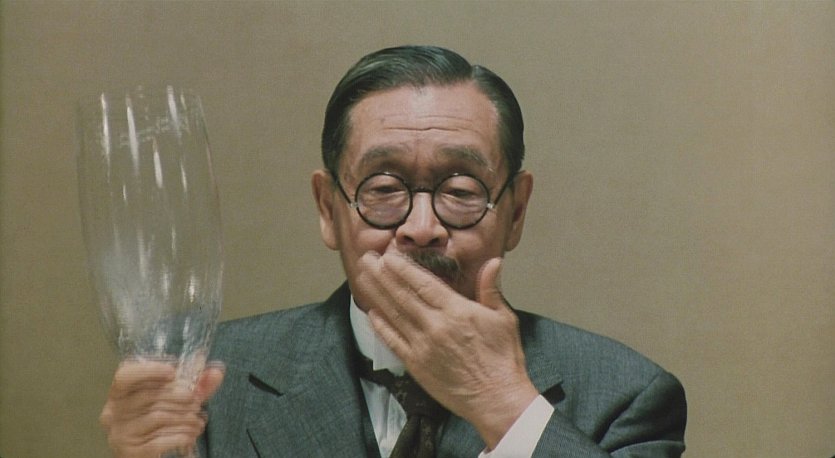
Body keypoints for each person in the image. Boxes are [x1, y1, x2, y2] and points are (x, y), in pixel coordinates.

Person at [100, 45, 687, 457]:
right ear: (328, 209)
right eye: (383, 190)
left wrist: (505, 407)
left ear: (515, 212)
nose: (421, 228)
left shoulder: (624, 394)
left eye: (461, 190)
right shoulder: (207, 384)